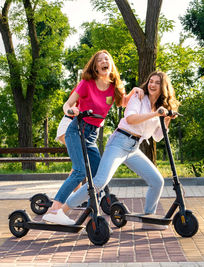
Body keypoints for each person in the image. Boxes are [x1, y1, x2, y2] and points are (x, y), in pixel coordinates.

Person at [53, 71, 180, 230]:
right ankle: (63, 210)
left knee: (157, 181)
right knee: (99, 181)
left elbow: (158, 136)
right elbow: (130, 119)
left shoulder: (159, 108)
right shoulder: (139, 97)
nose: (152, 85)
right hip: (119, 142)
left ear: (164, 87)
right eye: (150, 81)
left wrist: (165, 119)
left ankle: (149, 219)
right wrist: (155, 114)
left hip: (134, 148)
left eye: (156, 83)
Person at [42, 50, 143, 224]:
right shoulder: (86, 83)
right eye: (100, 60)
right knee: (80, 170)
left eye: (107, 59)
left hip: (92, 135)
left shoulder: (114, 86)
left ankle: (91, 211)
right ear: (95, 67)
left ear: (110, 64)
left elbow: (123, 102)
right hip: (77, 130)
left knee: (98, 177)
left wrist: (134, 89)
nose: (104, 61)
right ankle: (54, 210)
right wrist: (71, 110)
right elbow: (67, 104)